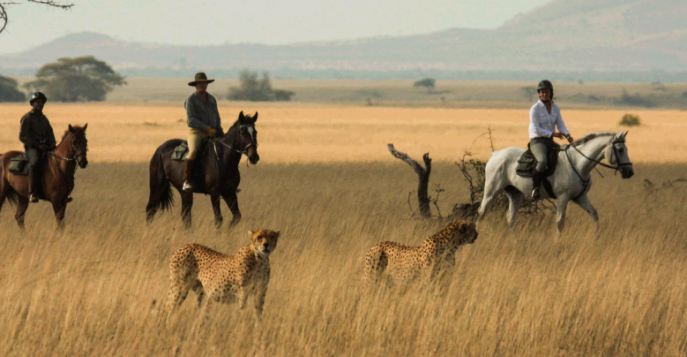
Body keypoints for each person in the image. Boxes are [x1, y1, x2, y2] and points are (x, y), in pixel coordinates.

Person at [528, 80, 574, 199]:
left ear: (551, 93)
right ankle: (535, 188)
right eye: (542, 92)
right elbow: (536, 128)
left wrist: (567, 134)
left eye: (547, 91)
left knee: (564, 159)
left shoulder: (556, 108)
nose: (544, 94)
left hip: (549, 141)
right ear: (539, 93)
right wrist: (553, 134)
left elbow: (561, 124)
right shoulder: (535, 109)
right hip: (537, 140)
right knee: (542, 161)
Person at [183, 72, 224, 191]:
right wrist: (207, 128)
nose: (202, 85)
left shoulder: (212, 99)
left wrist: (220, 132)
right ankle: (187, 180)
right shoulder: (190, 100)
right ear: (195, 85)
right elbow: (191, 120)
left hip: (212, 132)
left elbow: (217, 117)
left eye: (204, 83)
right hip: (196, 133)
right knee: (193, 151)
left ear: (207, 84)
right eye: (200, 83)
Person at [19, 92, 56, 203]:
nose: (40, 104)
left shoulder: (44, 119)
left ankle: (59, 192)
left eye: (41, 102)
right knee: (34, 163)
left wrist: (52, 145)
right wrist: (38, 145)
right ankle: (31, 193)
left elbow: (50, 133)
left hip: (46, 147)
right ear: (32, 104)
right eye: (37, 102)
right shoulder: (27, 118)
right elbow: (23, 136)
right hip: (32, 148)